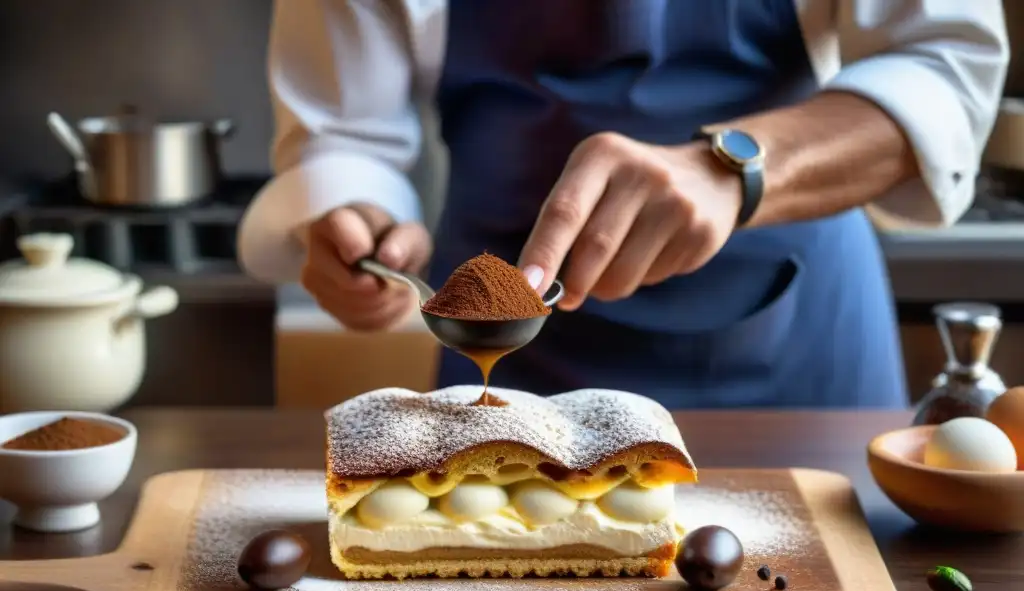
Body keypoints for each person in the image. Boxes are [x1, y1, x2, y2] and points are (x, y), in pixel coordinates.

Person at [238, 0, 1008, 409]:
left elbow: (948, 71)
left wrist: (733, 167)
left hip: (797, 353)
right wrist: (353, 211)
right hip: (509, 355)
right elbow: (348, 136)